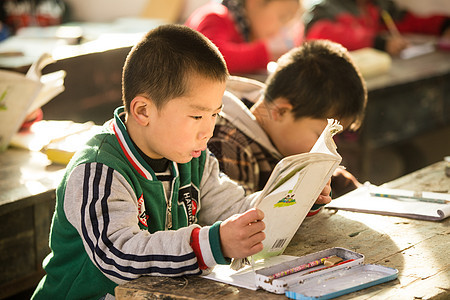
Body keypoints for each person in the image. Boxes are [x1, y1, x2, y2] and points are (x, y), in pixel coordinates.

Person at [31, 24, 331, 299]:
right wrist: (213, 244)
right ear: (144, 111)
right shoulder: (99, 170)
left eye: (214, 114)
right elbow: (119, 256)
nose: (208, 130)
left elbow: (233, 210)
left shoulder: (191, 158)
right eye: (197, 116)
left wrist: (294, 198)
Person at [208, 39, 367, 208]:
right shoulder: (227, 145)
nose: (331, 147)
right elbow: (239, 219)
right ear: (281, 112)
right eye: (322, 135)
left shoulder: (284, 135)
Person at [185, 0, 305, 74]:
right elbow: (210, 58)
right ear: (255, 2)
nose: (282, 29)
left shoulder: (246, 31)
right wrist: (266, 51)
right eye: (282, 17)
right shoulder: (215, 16)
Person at [304, 0, 450, 56]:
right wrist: (379, 43)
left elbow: (408, 22)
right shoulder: (325, 9)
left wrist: (443, 25)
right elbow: (319, 33)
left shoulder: (377, 6)